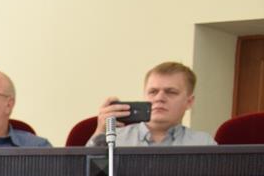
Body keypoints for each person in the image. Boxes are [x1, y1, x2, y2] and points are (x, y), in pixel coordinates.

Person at [87, 62, 216, 146]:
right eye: (153, 92)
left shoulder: (203, 143)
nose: (159, 98)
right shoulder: (113, 139)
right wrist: (100, 133)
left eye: (171, 92)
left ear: (189, 102)